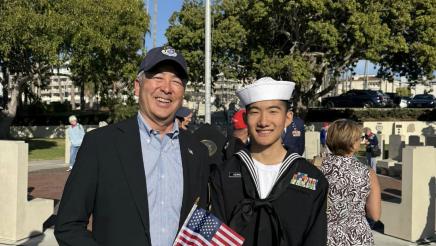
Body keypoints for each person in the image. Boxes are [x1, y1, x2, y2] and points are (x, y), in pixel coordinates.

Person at [55, 46, 211, 246]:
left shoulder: (197, 151)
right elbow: (68, 226)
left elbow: (200, 224)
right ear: (137, 86)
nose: (167, 87)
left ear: (182, 93)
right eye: (157, 77)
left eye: (176, 81)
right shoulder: (100, 145)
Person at [211, 77, 328, 245]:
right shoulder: (223, 175)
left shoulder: (312, 178)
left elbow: (315, 239)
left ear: (288, 118)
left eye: (273, 111)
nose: (264, 121)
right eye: (255, 112)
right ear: (245, 119)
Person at [320, 119, 381, 245]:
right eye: (359, 138)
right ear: (353, 143)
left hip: (324, 235)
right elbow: (375, 215)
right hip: (358, 236)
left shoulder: (315, 168)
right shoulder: (368, 173)